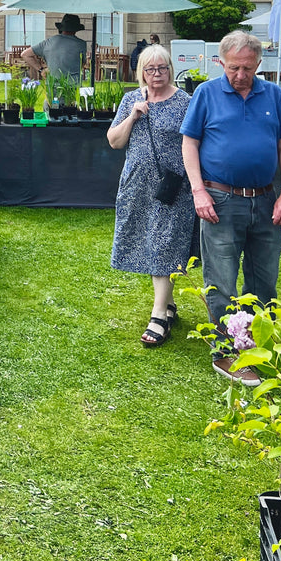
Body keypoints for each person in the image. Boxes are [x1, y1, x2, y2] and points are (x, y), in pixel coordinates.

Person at [180, 30, 281, 386]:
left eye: (248, 68)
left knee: (264, 279)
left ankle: (259, 346)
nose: (240, 75)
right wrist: (198, 191)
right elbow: (189, 143)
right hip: (220, 199)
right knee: (221, 280)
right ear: (221, 63)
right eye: (233, 68)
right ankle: (226, 352)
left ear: (259, 64)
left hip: (266, 199)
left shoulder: (273, 95)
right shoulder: (206, 93)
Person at [108, 45, 195, 347]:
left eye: (163, 68)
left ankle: (159, 315)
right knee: (148, 241)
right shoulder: (131, 99)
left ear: (170, 69)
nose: (157, 74)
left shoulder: (185, 101)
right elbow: (114, 142)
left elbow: (197, 142)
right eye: (150, 69)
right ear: (141, 72)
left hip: (173, 187)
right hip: (136, 185)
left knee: (164, 243)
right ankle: (168, 304)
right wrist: (132, 117)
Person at [22, 14, 87, 82]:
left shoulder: (48, 43)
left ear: (61, 28)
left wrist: (41, 70)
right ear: (76, 29)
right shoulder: (81, 44)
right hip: (73, 85)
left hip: (52, 86)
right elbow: (82, 64)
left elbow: (25, 54)